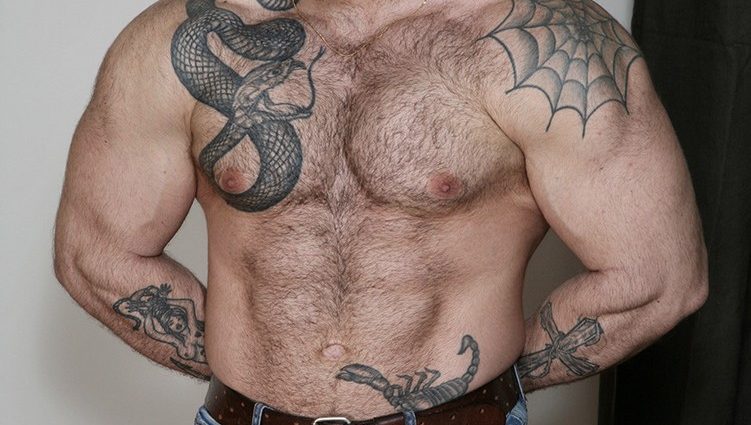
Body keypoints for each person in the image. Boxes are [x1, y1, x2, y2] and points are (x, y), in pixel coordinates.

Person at [53, 0, 708, 424]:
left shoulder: (542, 41)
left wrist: (472, 387)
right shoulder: (183, 39)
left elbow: (655, 278)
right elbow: (95, 254)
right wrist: (252, 364)